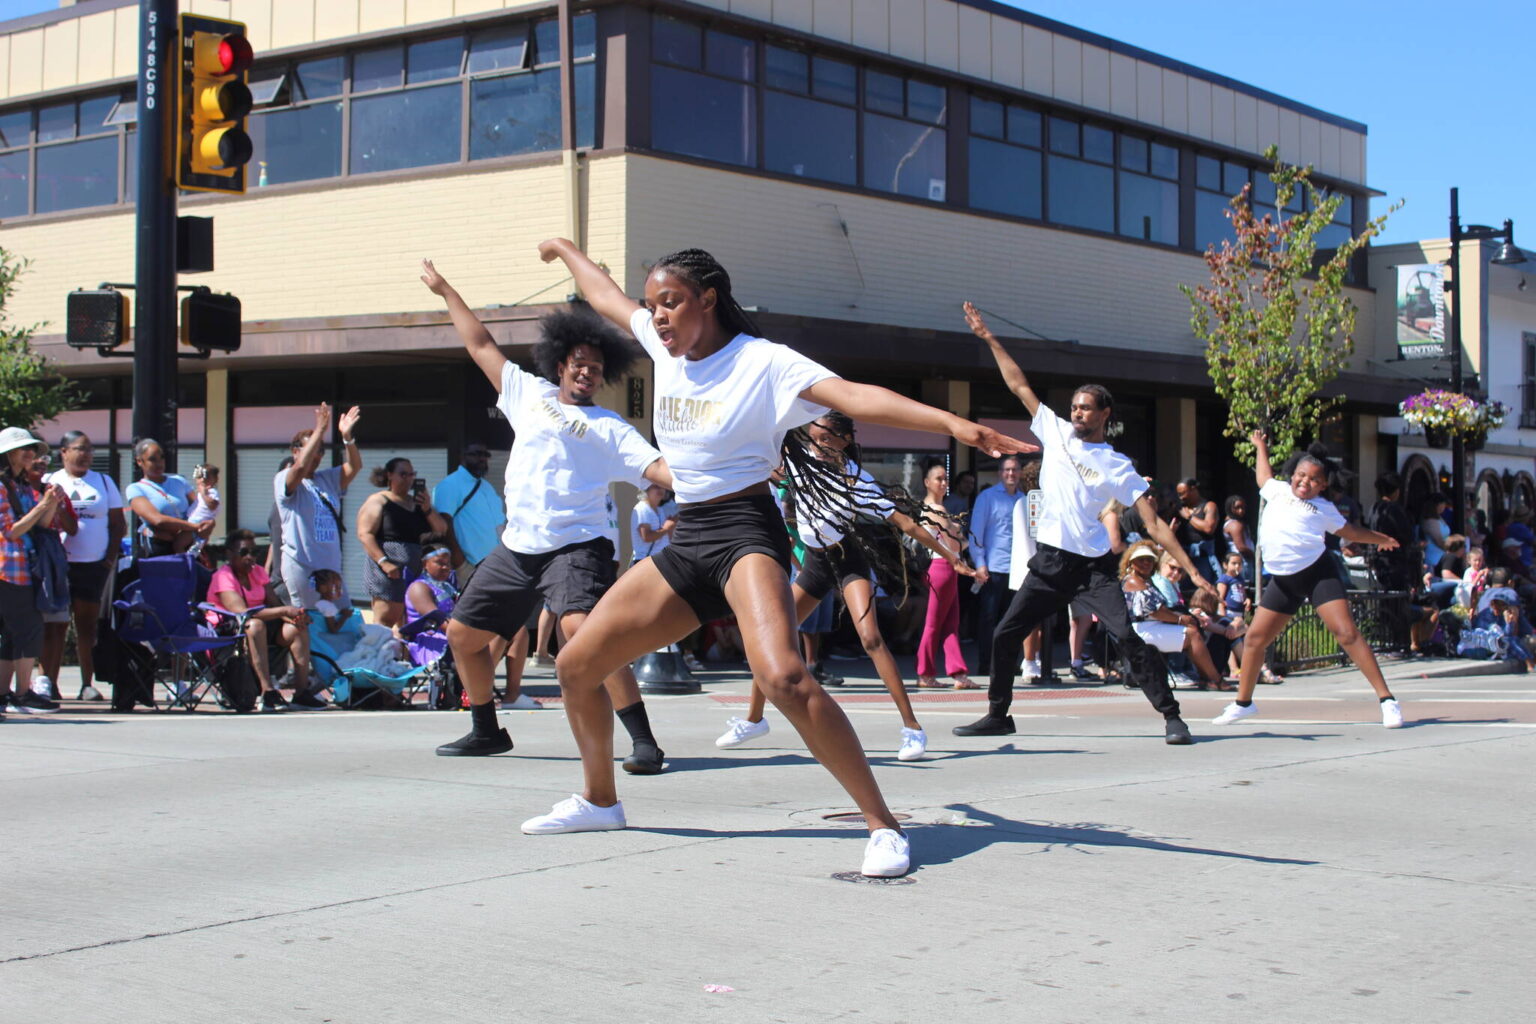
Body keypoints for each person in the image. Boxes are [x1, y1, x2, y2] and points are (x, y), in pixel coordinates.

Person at [532, 239, 1029, 877]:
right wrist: (566, 249)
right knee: (577, 665)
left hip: (745, 534)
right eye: (653, 304)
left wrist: (956, 427)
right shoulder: (662, 345)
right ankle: (600, 800)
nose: (657, 316)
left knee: (783, 677)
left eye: (672, 302)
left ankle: (883, 825)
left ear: (707, 300)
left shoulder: (763, 362)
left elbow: (855, 396)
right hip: (689, 540)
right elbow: (603, 295)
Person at [420, 259, 673, 774]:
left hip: (578, 545)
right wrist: (446, 289)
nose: (587, 372)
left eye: (597, 369)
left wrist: (734, 474)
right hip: (519, 545)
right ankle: (486, 730)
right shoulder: (526, 394)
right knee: (463, 638)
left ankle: (643, 740)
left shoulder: (609, 427)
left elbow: (659, 468)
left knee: (582, 632)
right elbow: (481, 345)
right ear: (560, 364)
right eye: (579, 363)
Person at [953, 303, 1213, 745]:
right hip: (1051, 562)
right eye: (1074, 406)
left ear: (1104, 414)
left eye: (1086, 408)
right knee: (1004, 634)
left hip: (1092, 568)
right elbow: (1018, 385)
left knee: (1127, 638)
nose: (1076, 413)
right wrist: (989, 338)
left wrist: (1190, 570)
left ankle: (1172, 717)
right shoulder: (1052, 432)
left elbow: (1152, 523)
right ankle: (999, 714)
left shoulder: (1116, 464)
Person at [712, 413, 973, 761]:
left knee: (871, 638)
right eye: (813, 437)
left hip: (848, 560)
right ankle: (754, 719)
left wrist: (950, 556)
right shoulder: (799, 464)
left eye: (825, 438)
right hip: (816, 565)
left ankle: (913, 730)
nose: (817, 445)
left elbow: (907, 524)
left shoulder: (856, 479)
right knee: (771, 638)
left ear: (843, 441)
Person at [1212, 431, 1407, 730]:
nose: (1305, 481)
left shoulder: (1325, 509)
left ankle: (1387, 701)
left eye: (1314, 479)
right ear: (1292, 475)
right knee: (1254, 640)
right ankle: (1243, 704)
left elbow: (1353, 533)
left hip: (1318, 574)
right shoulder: (1276, 490)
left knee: (1346, 634)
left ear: (1324, 484)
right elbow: (1263, 474)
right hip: (1284, 580)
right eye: (1301, 475)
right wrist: (1260, 445)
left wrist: (1382, 539)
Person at [433, 444, 536, 710]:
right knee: (496, 629)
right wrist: (458, 560)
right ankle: (477, 692)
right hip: (471, 565)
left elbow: (501, 527)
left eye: (484, 455)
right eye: (475, 454)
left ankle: (506, 694)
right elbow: (445, 523)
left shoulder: (487, 488)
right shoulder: (450, 484)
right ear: (461, 457)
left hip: (497, 565)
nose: (481, 459)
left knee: (513, 630)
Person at [41, 430, 125, 702]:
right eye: (79, 448)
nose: (86, 454)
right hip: (58, 564)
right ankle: (48, 683)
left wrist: (108, 560)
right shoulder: (51, 480)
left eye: (90, 449)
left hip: (93, 566)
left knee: (86, 626)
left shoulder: (103, 481)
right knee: (54, 625)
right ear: (63, 452)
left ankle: (87, 684)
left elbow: (117, 525)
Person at [207, 529, 322, 712]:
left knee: (296, 628)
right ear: (229, 554)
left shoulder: (258, 572)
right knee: (255, 625)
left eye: (254, 552)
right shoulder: (223, 577)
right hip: (230, 632)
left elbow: (273, 603)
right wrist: (284, 610)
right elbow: (242, 612)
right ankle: (267, 690)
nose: (250, 557)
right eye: (244, 552)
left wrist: (294, 617)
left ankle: (301, 692)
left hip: (264, 627)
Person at [0, 428, 67, 716]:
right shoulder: (4, 486)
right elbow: (11, 531)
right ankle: (22, 693)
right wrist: (42, 504)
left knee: (14, 633)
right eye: (23, 449)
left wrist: (50, 503)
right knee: (28, 629)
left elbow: (41, 525)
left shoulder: (22, 486)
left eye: (32, 449)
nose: (30, 454)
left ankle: (7, 694)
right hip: (8, 568)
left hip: (25, 567)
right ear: (8, 453)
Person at [276, 404, 363, 610]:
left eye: (320, 451)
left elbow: (355, 466)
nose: (317, 455)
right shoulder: (284, 478)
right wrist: (320, 431)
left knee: (342, 615)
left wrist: (347, 437)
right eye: (312, 449)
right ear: (295, 451)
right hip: (302, 566)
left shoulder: (328, 479)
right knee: (311, 620)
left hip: (331, 567)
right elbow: (299, 468)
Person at [356, 457, 448, 629]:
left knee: (408, 622)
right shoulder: (379, 500)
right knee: (386, 620)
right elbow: (365, 534)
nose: (408, 478)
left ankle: (403, 654)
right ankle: (381, 655)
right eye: (403, 474)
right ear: (389, 475)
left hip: (414, 570)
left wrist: (427, 508)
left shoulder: (417, 503)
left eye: (411, 474)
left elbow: (441, 530)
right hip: (389, 571)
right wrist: (384, 562)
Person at [1120, 542, 1226, 690]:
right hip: (1141, 629)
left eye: (1149, 560)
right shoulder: (1134, 580)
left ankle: (1207, 678)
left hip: (1150, 626)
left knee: (1192, 630)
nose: (1146, 563)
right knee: (1192, 634)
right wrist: (1181, 619)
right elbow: (1155, 611)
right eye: (1141, 559)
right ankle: (1215, 679)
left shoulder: (1145, 580)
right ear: (1131, 562)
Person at [915, 458, 973, 689]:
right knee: (935, 623)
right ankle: (926, 673)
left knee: (948, 622)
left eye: (945, 479)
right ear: (927, 482)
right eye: (939, 479)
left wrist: (957, 534)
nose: (943, 483)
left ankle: (957, 673)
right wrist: (958, 534)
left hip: (942, 567)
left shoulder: (931, 508)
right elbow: (957, 544)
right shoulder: (937, 509)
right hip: (942, 567)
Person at [968, 454, 1021, 676]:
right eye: (1007, 470)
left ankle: (1007, 664)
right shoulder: (987, 497)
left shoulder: (1024, 499)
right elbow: (975, 533)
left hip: (1017, 568)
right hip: (993, 567)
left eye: (1015, 470)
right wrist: (979, 563)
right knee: (988, 619)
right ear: (1000, 473)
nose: (1011, 474)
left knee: (1012, 621)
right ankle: (986, 664)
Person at [125, 439, 213, 557]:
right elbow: (158, 520)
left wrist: (206, 524)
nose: (159, 463)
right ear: (140, 461)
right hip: (159, 547)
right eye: (152, 459)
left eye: (162, 457)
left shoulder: (179, 481)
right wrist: (193, 526)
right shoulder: (136, 489)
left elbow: (199, 507)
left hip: (187, 544)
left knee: (191, 572)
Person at [402, 538, 457, 666]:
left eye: (448, 563)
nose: (445, 567)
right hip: (430, 641)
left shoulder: (447, 586)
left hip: (450, 633)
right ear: (424, 564)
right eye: (439, 563)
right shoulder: (419, 587)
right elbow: (437, 619)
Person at [1175, 478, 1221, 577]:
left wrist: (1189, 517)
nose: (1181, 497)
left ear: (1193, 489)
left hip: (1202, 557)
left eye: (1183, 493)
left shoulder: (1209, 506)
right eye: (1179, 494)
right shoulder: (1180, 508)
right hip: (1183, 557)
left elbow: (1209, 528)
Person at [631, 481, 675, 563]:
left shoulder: (660, 510)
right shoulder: (642, 508)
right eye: (656, 486)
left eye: (662, 486)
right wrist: (666, 528)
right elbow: (646, 537)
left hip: (660, 559)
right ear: (646, 489)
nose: (660, 489)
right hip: (646, 561)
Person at [1221, 494, 1254, 575]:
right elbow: (1241, 547)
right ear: (1230, 508)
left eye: (1243, 507)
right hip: (1242, 560)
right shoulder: (1235, 524)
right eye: (1237, 508)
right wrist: (1255, 556)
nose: (1241, 510)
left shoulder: (1233, 522)